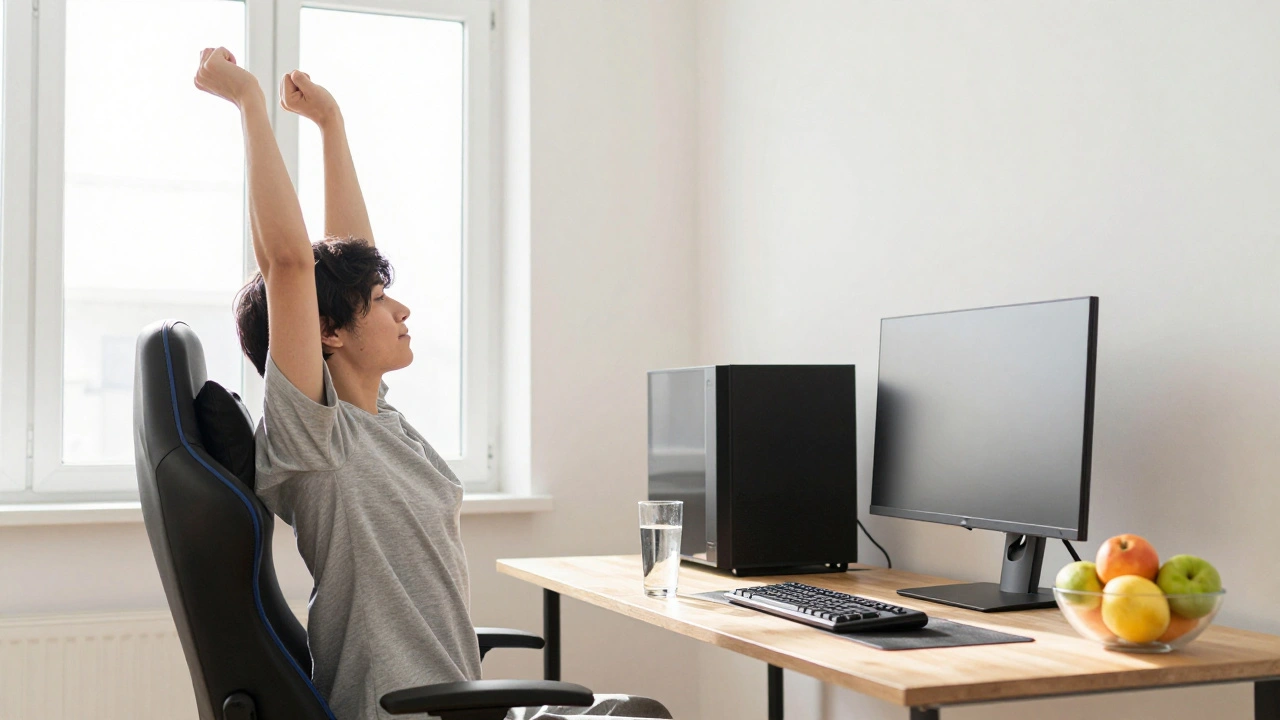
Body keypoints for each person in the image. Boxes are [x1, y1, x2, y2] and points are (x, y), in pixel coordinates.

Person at [192, 47, 673, 720]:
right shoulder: (314, 440)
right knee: (636, 716)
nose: (402, 309)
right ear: (327, 332)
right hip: (407, 712)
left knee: (637, 711)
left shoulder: (372, 418)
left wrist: (331, 124)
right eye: (382, 299)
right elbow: (290, 266)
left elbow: (339, 260)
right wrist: (249, 103)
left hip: (451, 702)